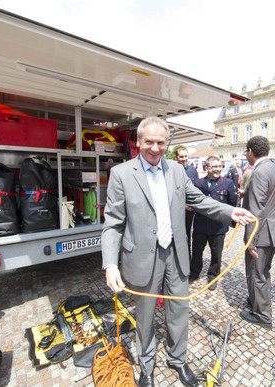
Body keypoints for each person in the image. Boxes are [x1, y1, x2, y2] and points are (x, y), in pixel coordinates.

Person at [102, 117, 255, 387]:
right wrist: (110, 265)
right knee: (145, 315)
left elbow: (198, 200)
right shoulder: (122, 174)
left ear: (167, 144)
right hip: (142, 257)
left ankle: (177, 359)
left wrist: (231, 211)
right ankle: (146, 367)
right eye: (148, 141)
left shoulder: (176, 170)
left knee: (179, 311)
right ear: (138, 142)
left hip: (175, 252)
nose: (154, 148)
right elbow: (113, 224)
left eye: (161, 142)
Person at [239, 136, 275, 328]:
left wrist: (251, 241)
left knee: (257, 273)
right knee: (261, 271)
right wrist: (246, 193)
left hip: (262, 233)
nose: (246, 156)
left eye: (246, 152)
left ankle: (262, 315)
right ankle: (255, 301)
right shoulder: (274, 168)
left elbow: (256, 209)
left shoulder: (258, 172)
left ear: (250, 151)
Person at [190, 156, 237, 290]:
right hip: (200, 225)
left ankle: (213, 275)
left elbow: (232, 204)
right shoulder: (198, 183)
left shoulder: (227, 183)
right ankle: (194, 273)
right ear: (207, 168)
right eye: (214, 166)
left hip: (218, 227)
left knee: (216, 254)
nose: (217, 169)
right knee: (197, 252)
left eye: (219, 166)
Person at [174, 146, 199, 256]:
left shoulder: (192, 170)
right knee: (175, 236)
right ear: (176, 157)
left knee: (187, 235)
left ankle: (186, 259)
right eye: (181, 156)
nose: (184, 159)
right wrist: (183, 205)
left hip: (189, 211)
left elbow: (195, 189)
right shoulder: (172, 170)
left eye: (185, 156)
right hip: (175, 209)